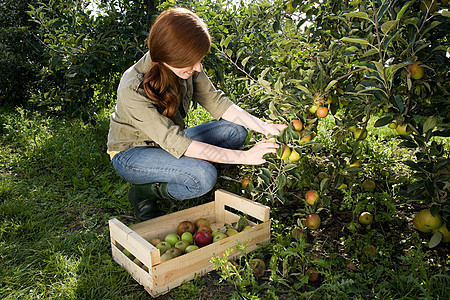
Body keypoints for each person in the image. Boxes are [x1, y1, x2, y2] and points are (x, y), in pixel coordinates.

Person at [107, 7, 286, 221]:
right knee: (203, 176)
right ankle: (144, 193)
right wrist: (245, 157)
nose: (199, 68)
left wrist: (265, 127)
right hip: (133, 154)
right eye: (192, 62)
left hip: (168, 142)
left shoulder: (185, 66)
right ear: (168, 56)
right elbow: (177, 142)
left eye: (199, 59)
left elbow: (217, 103)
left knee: (235, 131)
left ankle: (186, 167)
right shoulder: (132, 86)